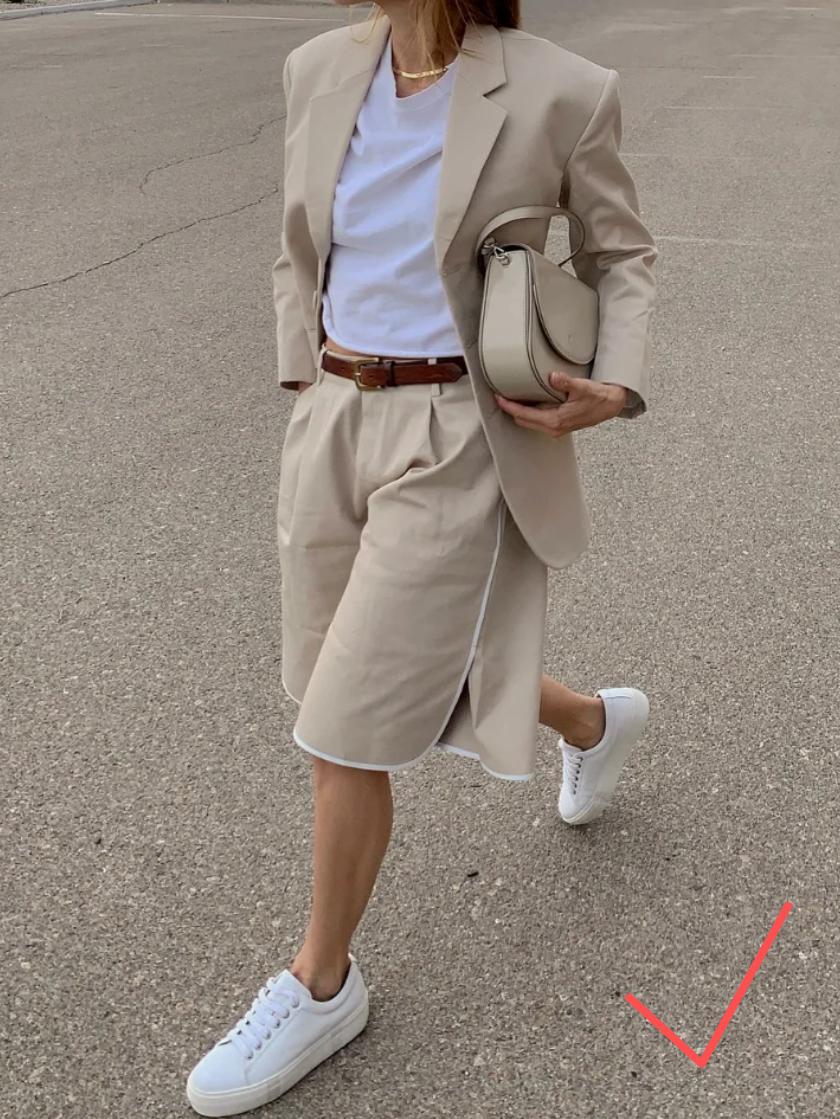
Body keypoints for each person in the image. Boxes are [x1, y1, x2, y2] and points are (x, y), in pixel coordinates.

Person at [186, 1, 657, 1114]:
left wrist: (618, 381)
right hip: (332, 417)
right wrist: (304, 377)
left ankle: (322, 984)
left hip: (457, 433)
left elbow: (622, 254)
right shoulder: (318, 67)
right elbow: (299, 242)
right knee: (365, 672)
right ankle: (595, 722)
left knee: (342, 724)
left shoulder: (560, 88)